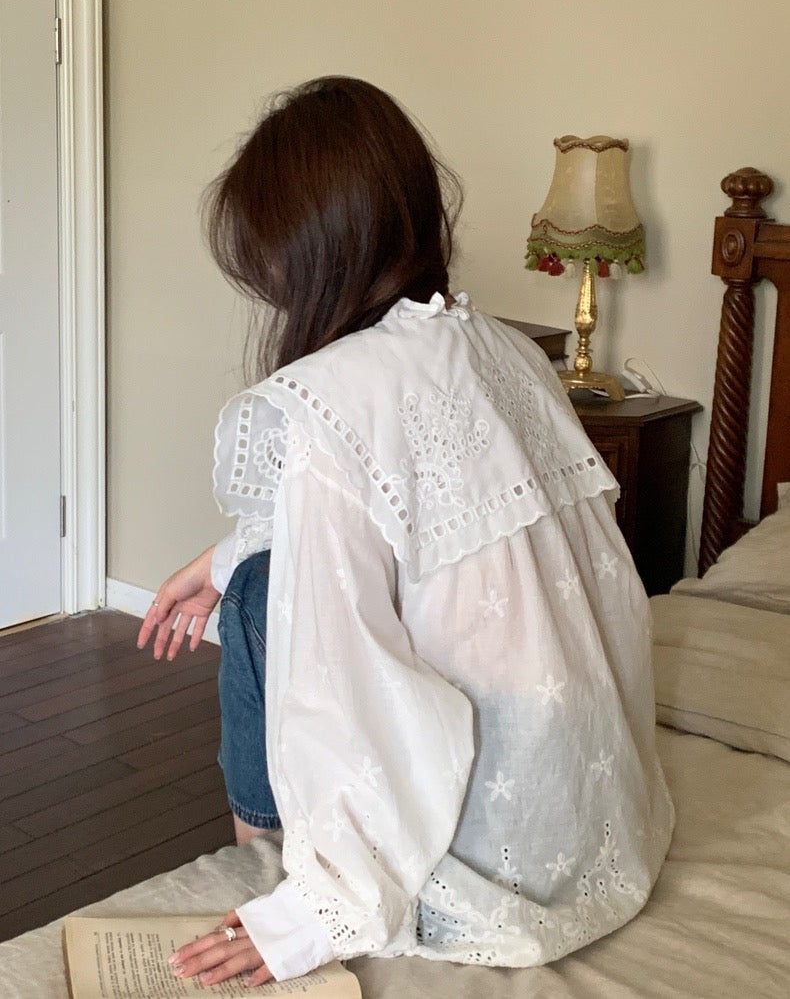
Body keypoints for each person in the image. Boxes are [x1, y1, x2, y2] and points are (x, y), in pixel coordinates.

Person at [137, 76, 674, 989]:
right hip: (595, 811)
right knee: (261, 569)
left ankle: (262, 850)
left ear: (304, 255)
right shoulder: (504, 350)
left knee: (272, 595)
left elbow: (350, 675)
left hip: (485, 845)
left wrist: (310, 916)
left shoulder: (332, 396)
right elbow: (434, 518)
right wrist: (223, 555)